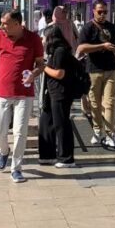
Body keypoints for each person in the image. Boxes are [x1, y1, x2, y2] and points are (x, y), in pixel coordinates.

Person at [0, 9, 44, 183]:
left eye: (5, 23)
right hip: (2, 92)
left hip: (24, 94)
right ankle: (4, 151)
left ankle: (16, 168)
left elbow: (41, 64)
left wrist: (34, 73)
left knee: (20, 131)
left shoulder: (33, 39)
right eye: (1, 23)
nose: (2, 26)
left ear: (17, 24)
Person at [77, 0, 115, 149]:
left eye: (105, 11)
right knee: (95, 103)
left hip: (111, 69)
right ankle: (98, 130)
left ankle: (111, 133)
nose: (103, 14)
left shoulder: (110, 26)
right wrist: (102, 46)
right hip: (93, 70)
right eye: (100, 11)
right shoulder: (87, 28)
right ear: (93, 11)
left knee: (110, 102)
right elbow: (82, 47)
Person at [38, 24, 76, 167]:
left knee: (61, 124)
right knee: (45, 122)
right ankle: (47, 155)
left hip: (61, 92)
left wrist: (44, 67)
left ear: (50, 37)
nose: (42, 40)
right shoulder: (54, 52)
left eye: (44, 37)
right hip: (52, 92)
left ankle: (67, 158)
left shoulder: (60, 51)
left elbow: (60, 74)